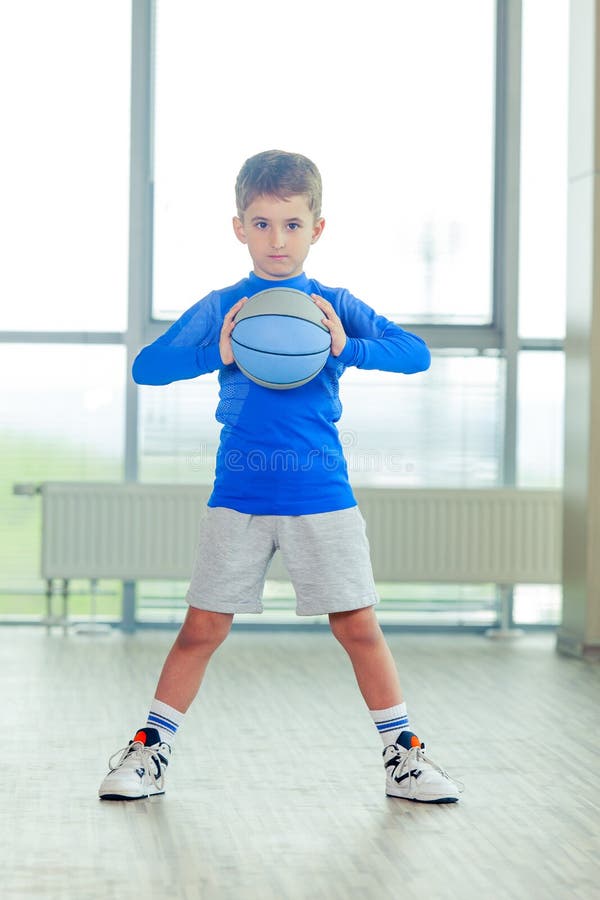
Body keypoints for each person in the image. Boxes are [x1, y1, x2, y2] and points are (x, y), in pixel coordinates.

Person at [99, 149, 460, 804]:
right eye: (262, 224)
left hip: (322, 495)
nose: (277, 240)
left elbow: (415, 354)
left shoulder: (333, 305)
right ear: (239, 226)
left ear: (316, 228)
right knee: (202, 629)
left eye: (292, 225)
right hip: (238, 496)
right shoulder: (225, 306)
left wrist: (349, 346)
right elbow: (148, 367)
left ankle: (404, 757)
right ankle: (148, 753)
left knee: (357, 626)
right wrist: (218, 352)